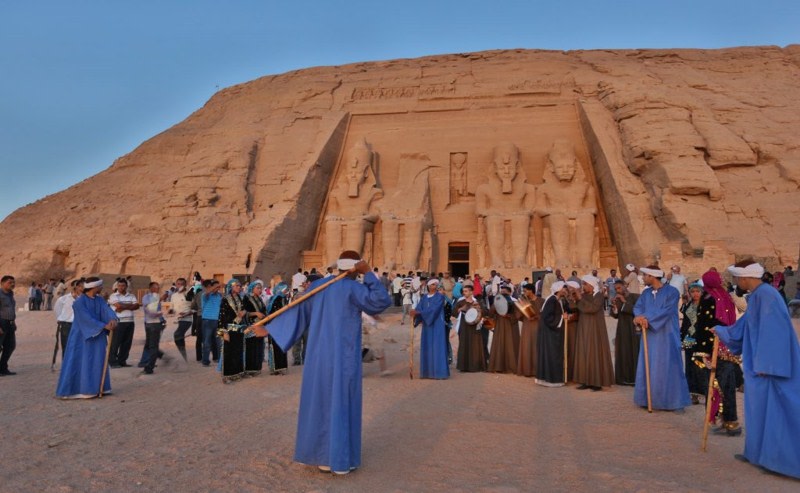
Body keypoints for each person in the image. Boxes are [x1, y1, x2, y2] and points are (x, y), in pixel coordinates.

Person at [249, 251, 391, 475]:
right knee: (343, 400)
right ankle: (342, 458)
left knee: (322, 400)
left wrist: (270, 329)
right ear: (355, 269)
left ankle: (323, 456)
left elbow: (297, 313)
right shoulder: (354, 288)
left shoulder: (318, 287)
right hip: (345, 356)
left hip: (318, 355)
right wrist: (369, 274)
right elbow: (381, 301)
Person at [714, 260, 800, 478]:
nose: (735, 282)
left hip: (770, 368)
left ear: (744, 278)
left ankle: (779, 461)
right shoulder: (758, 296)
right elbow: (746, 326)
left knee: (777, 412)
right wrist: (723, 332)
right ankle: (757, 453)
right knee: (757, 410)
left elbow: (775, 333)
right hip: (759, 365)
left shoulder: (766, 296)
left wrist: (766, 364)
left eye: (736, 278)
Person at [633, 266, 690, 411]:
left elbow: (667, 311)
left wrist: (647, 319)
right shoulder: (645, 293)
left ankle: (671, 401)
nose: (643, 278)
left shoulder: (672, 292)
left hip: (667, 334)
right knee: (650, 363)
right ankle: (649, 399)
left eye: (645, 275)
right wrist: (639, 317)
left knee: (668, 364)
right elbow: (638, 307)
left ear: (652, 276)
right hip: (650, 335)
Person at [56, 277, 118, 398]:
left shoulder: (99, 300)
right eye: (100, 286)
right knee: (81, 361)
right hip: (81, 337)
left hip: (98, 334)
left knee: (98, 361)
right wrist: (103, 325)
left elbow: (107, 310)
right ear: (94, 287)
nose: (102, 288)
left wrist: (113, 320)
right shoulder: (79, 302)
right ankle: (81, 390)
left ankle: (99, 388)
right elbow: (85, 318)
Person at [697, 270, 741, 436]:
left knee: (717, 386)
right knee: (727, 385)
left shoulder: (708, 298)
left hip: (714, 347)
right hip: (728, 346)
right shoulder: (725, 296)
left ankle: (730, 421)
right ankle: (730, 421)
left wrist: (701, 350)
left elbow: (704, 324)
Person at [572, 275, 614, 391]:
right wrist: (572, 296)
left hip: (595, 328)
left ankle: (596, 382)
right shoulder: (584, 296)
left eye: (585, 284)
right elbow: (576, 307)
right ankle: (586, 380)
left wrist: (580, 298)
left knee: (595, 352)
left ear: (591, 285)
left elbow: (592, 309)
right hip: (583, 327)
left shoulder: (599, 296)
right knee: (584, 352)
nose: (583, 287)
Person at [412, 279, 450, 379]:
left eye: (436, 284)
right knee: (427, 346)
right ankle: (427, 372)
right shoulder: (424, 298)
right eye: (433, 284)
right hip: (427, 326)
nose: (435, 286)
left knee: (438, 346)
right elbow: (419, 308)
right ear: (428, 285)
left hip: (437, 325)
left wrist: (420, 313)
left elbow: (434, 309)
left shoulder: (440, 297)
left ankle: (439, 373)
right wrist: (414, 314)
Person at [536, 281, 567, 387]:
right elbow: (547, 317)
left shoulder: (558, 300)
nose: (565, 290)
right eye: (564, 288)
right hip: (550, 333)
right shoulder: (552, 300)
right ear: (559, 289)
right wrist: (563, 317)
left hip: (553, 332)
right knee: (552, 354)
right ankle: (552, 380)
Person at [680, 282, 707, 404]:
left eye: (698, 291)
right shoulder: (688, 305)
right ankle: (693, 393)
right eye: (693, 291)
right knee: (690, 365)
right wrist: (682, 338)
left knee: (700, 365)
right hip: (689, 338)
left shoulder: (706, 306)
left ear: (702, 292)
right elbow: (685, 323)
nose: (695, 294)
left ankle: (705, 392)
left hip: (701, 339)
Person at [217, 279, 247, 382]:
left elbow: (242, 311)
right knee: (227, 352)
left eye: (240, 286)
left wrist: (244, 312)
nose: (239, 287)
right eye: (237, 286)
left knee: (238, 351)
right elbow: (221, 317)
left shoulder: (240, 298)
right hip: (228, 329)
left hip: (238, 328)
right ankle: (226, 376)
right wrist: (223, 332)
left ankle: (237, 373)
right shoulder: (225, 299)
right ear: (231, 287)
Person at [610, 279, 639, 386]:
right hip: (622, 329)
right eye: (615, 289)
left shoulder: (635, 296)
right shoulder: (617, 299)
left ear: (625, 286)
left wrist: (624, 301)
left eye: (619, 288)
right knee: (622, 352)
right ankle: (623, 378)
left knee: (632, 352)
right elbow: (615, 315)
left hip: (632, 329)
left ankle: (634, 378)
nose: (617, 290)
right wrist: (614, 308)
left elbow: (636, 311)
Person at [453, 282, 486, 372]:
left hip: (475, 326)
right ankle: (464, 366)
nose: (464, 293)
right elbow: (454, 312)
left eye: (466, 291)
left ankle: (475, 366)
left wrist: (479, 308)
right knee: (464, 343)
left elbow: (484, 312)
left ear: (471, 292)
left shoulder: (477, 301)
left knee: (475, 345)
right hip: (464, 325)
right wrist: (460, 309)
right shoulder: (460, 302)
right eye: (463, 291)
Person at [107, 279, 140, 368]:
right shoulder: (113, 296)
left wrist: (123, 307)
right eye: (119, 286)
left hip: (130, 322)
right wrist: (130, 306)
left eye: (123, 286)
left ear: (126, 286)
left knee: (126, 343)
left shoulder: (131, 295)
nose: (121, 287)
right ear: (117, 286)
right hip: (119, 322)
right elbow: (118, 306)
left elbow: (137, 306)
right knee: (115, 343)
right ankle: (113, 362)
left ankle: (122, 361)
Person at [488, 284, 520, 373]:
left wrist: (510, 316)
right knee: (500, 344)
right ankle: (499, 366)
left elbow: (518, 316)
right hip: (499, 325)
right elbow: (490, 313)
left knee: (511, 345)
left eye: (505, 293)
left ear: (510, 293)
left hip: (511, 326)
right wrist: (495, 306)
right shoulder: (497, 301)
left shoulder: (515, 302)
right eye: (502, 293)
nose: (503, 294)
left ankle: (512, 367)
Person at [53, 279, 84, 367]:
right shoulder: (63, 299)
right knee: (67, 347)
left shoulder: (84, 299)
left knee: (79, 346)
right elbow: (57, 309)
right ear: (76, 287)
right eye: (81, 286)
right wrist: (61, 319)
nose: (83, 288)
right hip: (67, 325)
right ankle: (66, 366)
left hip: (80, 326)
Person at [516, 283, 543, 377]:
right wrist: (521, 309)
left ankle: (537, 371)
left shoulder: (541, 300)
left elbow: (545, 314)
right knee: (527, 347)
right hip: (527, 327)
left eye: (525, 290)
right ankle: (527, 371)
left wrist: (536, 316)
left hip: (537, 326)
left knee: (536, 347)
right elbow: (518, 316)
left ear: (531, 290)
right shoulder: (524, 301)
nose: (524, 292)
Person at [264, 282, 290, 374]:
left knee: (281, 346)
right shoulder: (276, 299)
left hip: (281, 326)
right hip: (275, 326)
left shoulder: (283, 298)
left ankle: (280, 367)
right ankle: (276, 368)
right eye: (285, 289)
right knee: (275, 347)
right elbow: (273, 313)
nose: (287, 291)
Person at [242, 281, 268, 375]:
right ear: (252, 289)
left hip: (260, 326)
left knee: (259, 347)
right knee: (251, 347)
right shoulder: (247, 298)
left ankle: (257, 368)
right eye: (258, 288)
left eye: (261, 288)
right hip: (251, 325)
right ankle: (250, 370)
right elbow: (244, 312)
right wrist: (256, 313)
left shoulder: (260, 299)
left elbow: (264, 311)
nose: (260, 290)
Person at [141, 282, 166, 375]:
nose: (157, 289)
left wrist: (161, 317)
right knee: (149, 344)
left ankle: (149, 367)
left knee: (153, 345)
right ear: (150, 288)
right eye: (155, 288)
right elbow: (150, 311)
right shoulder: (146, 297)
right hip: (148, 323)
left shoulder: (157, 297)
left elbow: (157, 311)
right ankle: (159, 355)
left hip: (156, 324)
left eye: (158, 288)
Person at [170, 278, 194, 362]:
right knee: (179, 337)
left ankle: (183, 356)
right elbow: (172, 308)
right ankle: (183, 357)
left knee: (177, 334)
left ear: (185, 285)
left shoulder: (188, 294)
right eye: (178, 284)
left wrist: (187, 313)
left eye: (181, 284)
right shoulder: (173, 295)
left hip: (186, 319)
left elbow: (195, 308)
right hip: (177, 319)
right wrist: (170, 311)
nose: (179, 285)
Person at [200, 279, 222, 367]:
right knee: (207, 342)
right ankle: (205, 361)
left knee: (219, 342)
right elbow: (208, 292)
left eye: (218, 287)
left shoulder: (219, 296)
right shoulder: (205, 295)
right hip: (207, 321)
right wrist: (216, 285)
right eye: (215, 287)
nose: (217, 288)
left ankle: (220, 360)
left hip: (218, 321)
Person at [0, 276, 18, 376]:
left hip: (10, 323)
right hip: (1, 323)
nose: (12, 284)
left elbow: (11, 310)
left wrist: (13, 322)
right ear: (2, 283)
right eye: (9, 282)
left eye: (13, 282)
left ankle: (3, 368)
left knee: (10, 346)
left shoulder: (11, 294)